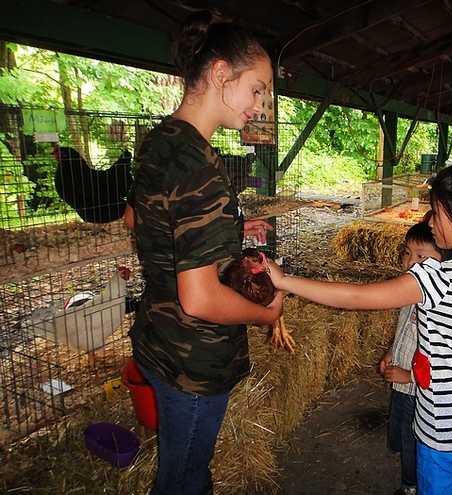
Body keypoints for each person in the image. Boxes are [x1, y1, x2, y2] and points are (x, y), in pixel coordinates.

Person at [268, 161, 452, 495]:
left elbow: (355, 296)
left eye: (437, 213)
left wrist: (283, 280)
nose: (431, 221)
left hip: (443, 426)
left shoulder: (437, 278)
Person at [124, 10, 283, 495]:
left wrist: (229, 226)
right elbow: (200, 298)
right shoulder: (201, 167)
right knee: (185, 479)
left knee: (183, 470)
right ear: (220, 75)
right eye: (257, 89)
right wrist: (267, 310)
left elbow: (137, 217)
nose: (260, 105)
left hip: (158, 336)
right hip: (194, 358)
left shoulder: (161, 140)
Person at [379, 220, 452, 495]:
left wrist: (409, 375)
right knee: (399, 427)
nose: (410, 261)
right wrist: (390, 352)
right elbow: (404, 332)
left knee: (413, 438)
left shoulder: (439, 305)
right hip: (402, 383)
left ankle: (410, 486)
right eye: (407, 252)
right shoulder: (411, 291)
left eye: (421, 256)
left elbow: (443, 355)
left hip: (418, 388)